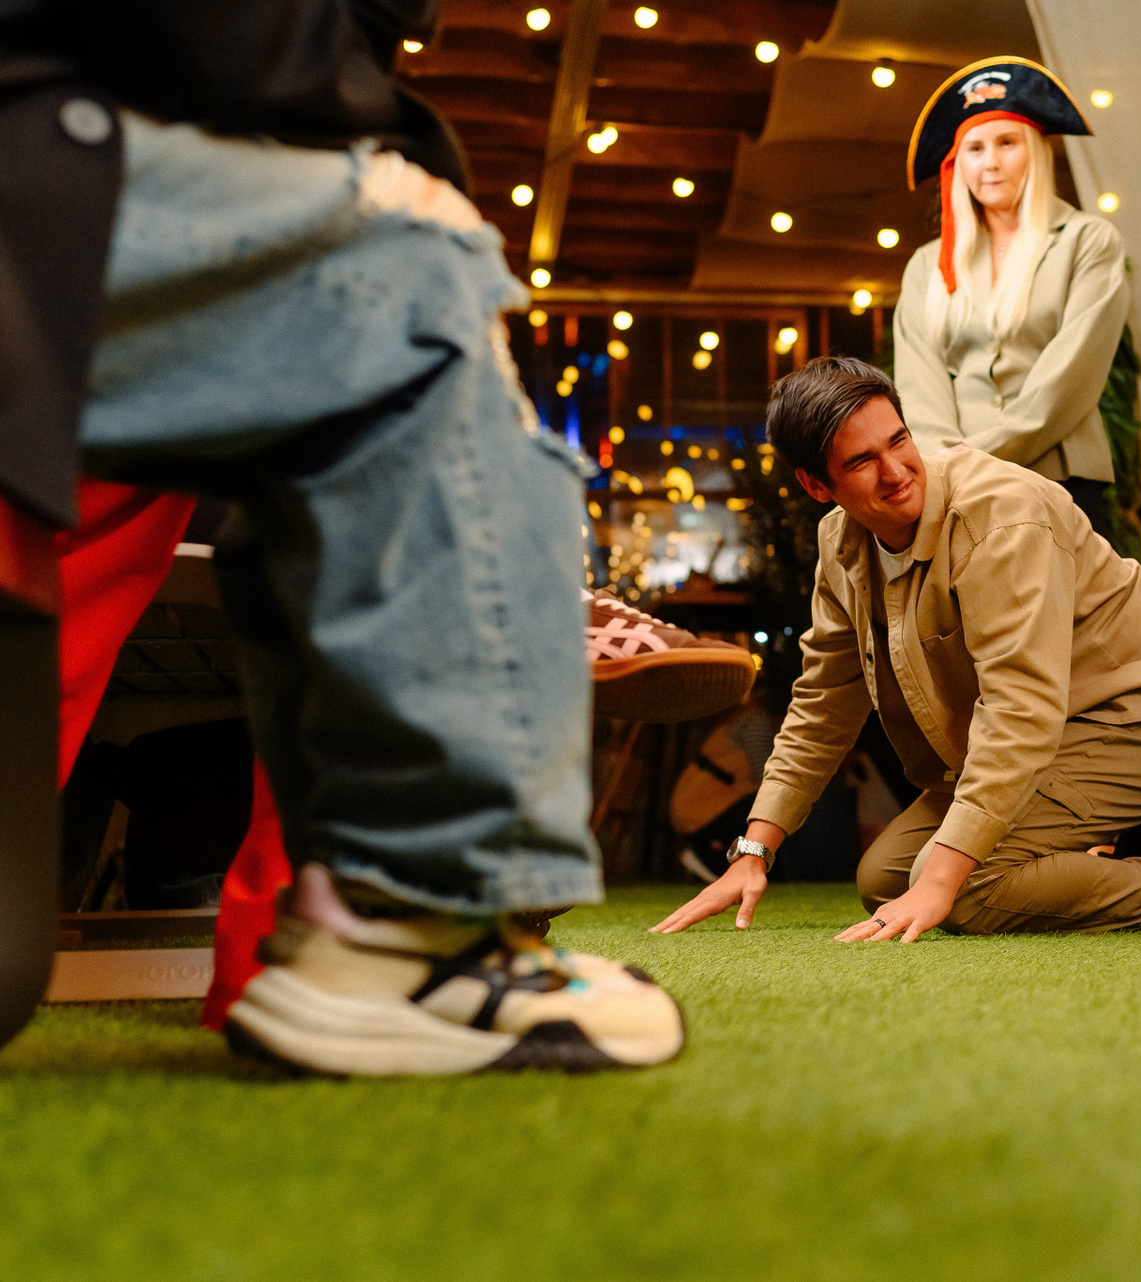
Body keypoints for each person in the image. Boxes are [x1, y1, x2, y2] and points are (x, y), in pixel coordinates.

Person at [3, 0, 690, 1074]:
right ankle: (410, 927)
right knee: (412, 273)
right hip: (67, 138)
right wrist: (385, 151)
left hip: (123, 159)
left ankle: (319, 945)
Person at [654, 357, 1141, 941]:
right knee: (887, 878)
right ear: (817, 485)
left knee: (961, 889)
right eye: (861, 462)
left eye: (899, 441)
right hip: (1053, 733)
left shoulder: (1002, 517)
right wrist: (754, 851)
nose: (895, 472)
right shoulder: (841, 546)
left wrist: (945, 879)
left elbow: (1020, 711)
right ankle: (1108, 837)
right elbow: (824, 705)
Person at [893, 57, 1129, 540]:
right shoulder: (926, 265)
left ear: (1036, 151)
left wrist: (972, 461)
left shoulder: (1088, 241)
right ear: (957, 164)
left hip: (1060, 475)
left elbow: (1072, 374)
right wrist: (945, 467)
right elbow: (919, 383)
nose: (991, 163)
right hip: (955, 489)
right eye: (974, 148)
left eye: (1007, 143)